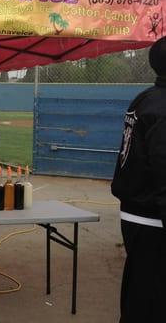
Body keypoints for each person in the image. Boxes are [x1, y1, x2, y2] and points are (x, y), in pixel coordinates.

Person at [111, 36, 166, 323]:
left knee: (139, 291)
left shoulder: (145, 98)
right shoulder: (160, 106)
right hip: (152, 220)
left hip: (136, 214)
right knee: (152, 302)